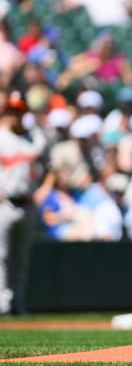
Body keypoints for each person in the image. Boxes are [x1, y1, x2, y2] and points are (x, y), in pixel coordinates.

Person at [0, 91, 46, 315]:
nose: (15, 115)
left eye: (19, 111)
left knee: (21, 260)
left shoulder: (30, 139)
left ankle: (17, 305)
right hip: (5, 204)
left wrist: (34, 122)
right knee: (2, 257)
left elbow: (46, 158)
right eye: (12, 110)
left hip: (27, 204)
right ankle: (2, 305)